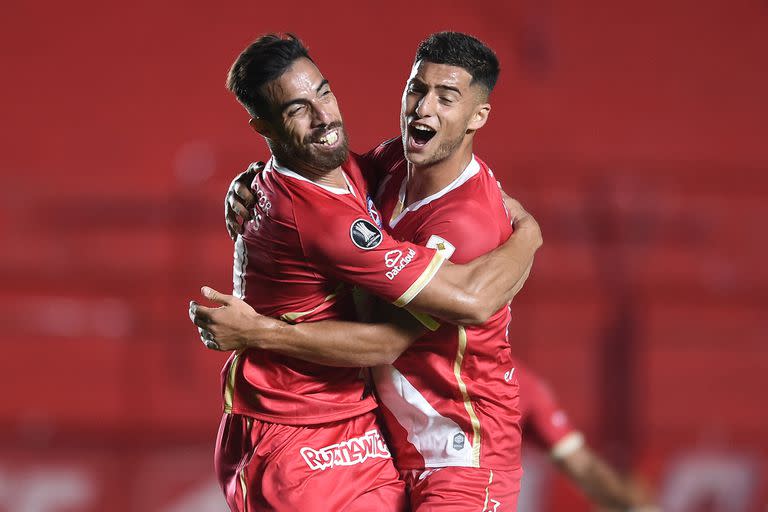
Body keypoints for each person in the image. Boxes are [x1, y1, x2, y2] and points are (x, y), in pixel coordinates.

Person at [189, 33, 541, 512]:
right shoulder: (387, 168)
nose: (424, 108)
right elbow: (316, 186)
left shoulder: (467, 223)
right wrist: (255, 176)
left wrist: (531, 234)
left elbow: (461, 307)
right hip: (352, 434)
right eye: (417, 88)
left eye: (447, 97)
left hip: (459, 449)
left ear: (479, 116)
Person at [514, 360, 659, 511]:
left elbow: (579, 463)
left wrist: (633, 508)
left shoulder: (520, 383)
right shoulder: (520, 381)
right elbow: (580, 464)